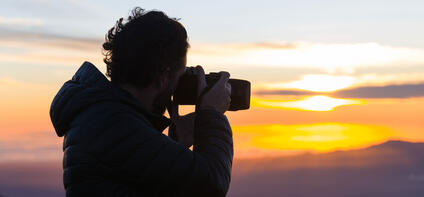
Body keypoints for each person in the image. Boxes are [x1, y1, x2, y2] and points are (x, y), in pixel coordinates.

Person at [50, 7, 233, 197]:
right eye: (181, 75)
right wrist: (212, 114)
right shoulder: (114, 126)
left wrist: (176, 143)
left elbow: (139, 177)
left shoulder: (104, 119)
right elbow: (211, 184)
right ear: (163, 76)